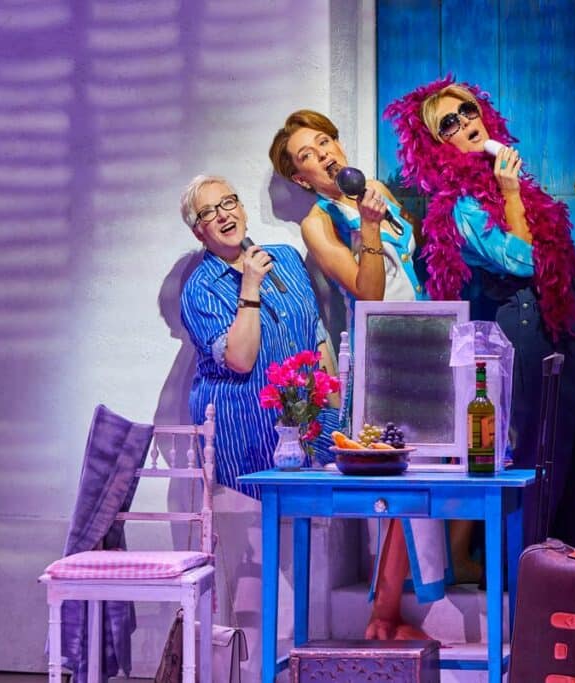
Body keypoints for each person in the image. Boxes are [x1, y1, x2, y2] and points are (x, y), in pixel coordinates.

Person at [385, 78, 575, 555]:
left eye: (468, 111)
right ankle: (531, 570)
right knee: (542, 448)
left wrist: (512, 191)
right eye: (448, 123)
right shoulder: (459, 206)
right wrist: (510, 192)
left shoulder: (499, 182)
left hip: (568, 308)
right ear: (437, 145)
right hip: (527, 319)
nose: (464, 122)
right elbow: (525, 261)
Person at [269, 111, 458, 640]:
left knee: (432, 477)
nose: (324, 155)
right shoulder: (319, 222)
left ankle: (393, 609)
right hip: (383, 353)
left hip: (426, 342)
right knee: (402, 483)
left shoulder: (375, 190)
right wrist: (369, 227)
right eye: (308, 155)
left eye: (325, 142)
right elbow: (369, 292)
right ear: (302, 177)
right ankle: (383, 615)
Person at [179, 173, 339, 678]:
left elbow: (316, 339)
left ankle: (304, 672)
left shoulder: (285, 258)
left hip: (306, 443)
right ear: (198, 231)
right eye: (209, 212)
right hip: (243, 452)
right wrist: (249, 287)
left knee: (307, 578)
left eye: (228, 202)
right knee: (256, 592)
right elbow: (241, 358)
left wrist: (337, 408)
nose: (223, 215)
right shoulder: (201, 289)